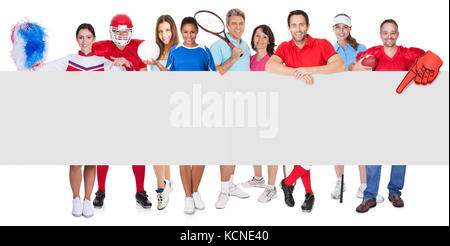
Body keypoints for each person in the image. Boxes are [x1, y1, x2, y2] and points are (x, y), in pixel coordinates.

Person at [33, 23, 124, 218]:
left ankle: (87, 199)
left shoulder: (103, 62)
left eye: (88, 37)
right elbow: (40, 70)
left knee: (91, 161)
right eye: (81, 37)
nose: (85, 41)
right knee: (75, 163)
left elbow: (125, 77)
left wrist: (122, 63)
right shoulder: (69, 60)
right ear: (77, 39)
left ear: (94, 39)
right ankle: (75, 197)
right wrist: (33, 59)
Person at [266, 10, 345, 212]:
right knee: (304, 154)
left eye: (301, 25)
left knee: (311, 152)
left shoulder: (321, 44)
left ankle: (289, 182)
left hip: (320, 107)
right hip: (294, 109)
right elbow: (270, 66)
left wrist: (313, 69)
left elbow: (340, 65)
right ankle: (309, 194)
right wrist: (297, 72)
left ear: (308, 26)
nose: (298, 29)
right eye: (294, 25)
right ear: (289, 27)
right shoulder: (285, 47)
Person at [352, 19, 425, 213]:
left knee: (399, 155)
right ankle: (370, 197)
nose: (389, 36)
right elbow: (354, 67)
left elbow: (428, 60)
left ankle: (395, 192)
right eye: (386, 32)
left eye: (392, 32)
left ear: (398, 34)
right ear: (380, 35)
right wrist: (357, 68)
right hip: (377, 112)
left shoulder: (408, 53)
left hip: (401, 113)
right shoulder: (373, 53)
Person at [91, 14, 152, 209]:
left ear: (131, 32)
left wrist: (128, 64)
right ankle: (100, 190)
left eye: (125, 31)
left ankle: (140, 191)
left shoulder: (140, 47)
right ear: (112, 32)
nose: (122, 34)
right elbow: (84, 57)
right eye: (118, 31)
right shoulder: (101, 47)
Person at [330, 13, 384, 203]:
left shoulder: (361, 49)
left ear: (350, 28)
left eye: (345, 27)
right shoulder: (330, 50)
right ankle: (339, 181)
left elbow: (369, 72)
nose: (341, 30)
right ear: (333, 29)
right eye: (337, 27)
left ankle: (364, 186)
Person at [164, 17, 215, 214]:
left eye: (192, 32)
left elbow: (212, 78)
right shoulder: (175, 51)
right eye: (185, 32)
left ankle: (195, 192)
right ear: (181, 32)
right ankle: (186, 196)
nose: (189, 35)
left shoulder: (204, 50)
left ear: (197, 32)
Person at [210, 8, 251, 209]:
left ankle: (231, 185)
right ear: (227, 26)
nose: (237, 27)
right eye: (234, 23)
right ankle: (224, 190)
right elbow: (214, 72)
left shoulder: (246, 46)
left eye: (241, 23)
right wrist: (233, 58)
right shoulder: (217, 45)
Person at [142, 14, 179, 210]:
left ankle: (162, 188)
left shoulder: (179, 52)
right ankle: (165, 185)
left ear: (173, 30)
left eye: (167, 29)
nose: (164, 34)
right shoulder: (153, 52)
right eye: (160, 30)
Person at [240, 24, 279, 203]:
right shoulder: (249, 59)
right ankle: (258, 179)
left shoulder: (274, 61)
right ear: (253, 39)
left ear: (269, 40)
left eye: (264, 36)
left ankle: (271, 187)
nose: (260, 40)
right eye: (257, 36)